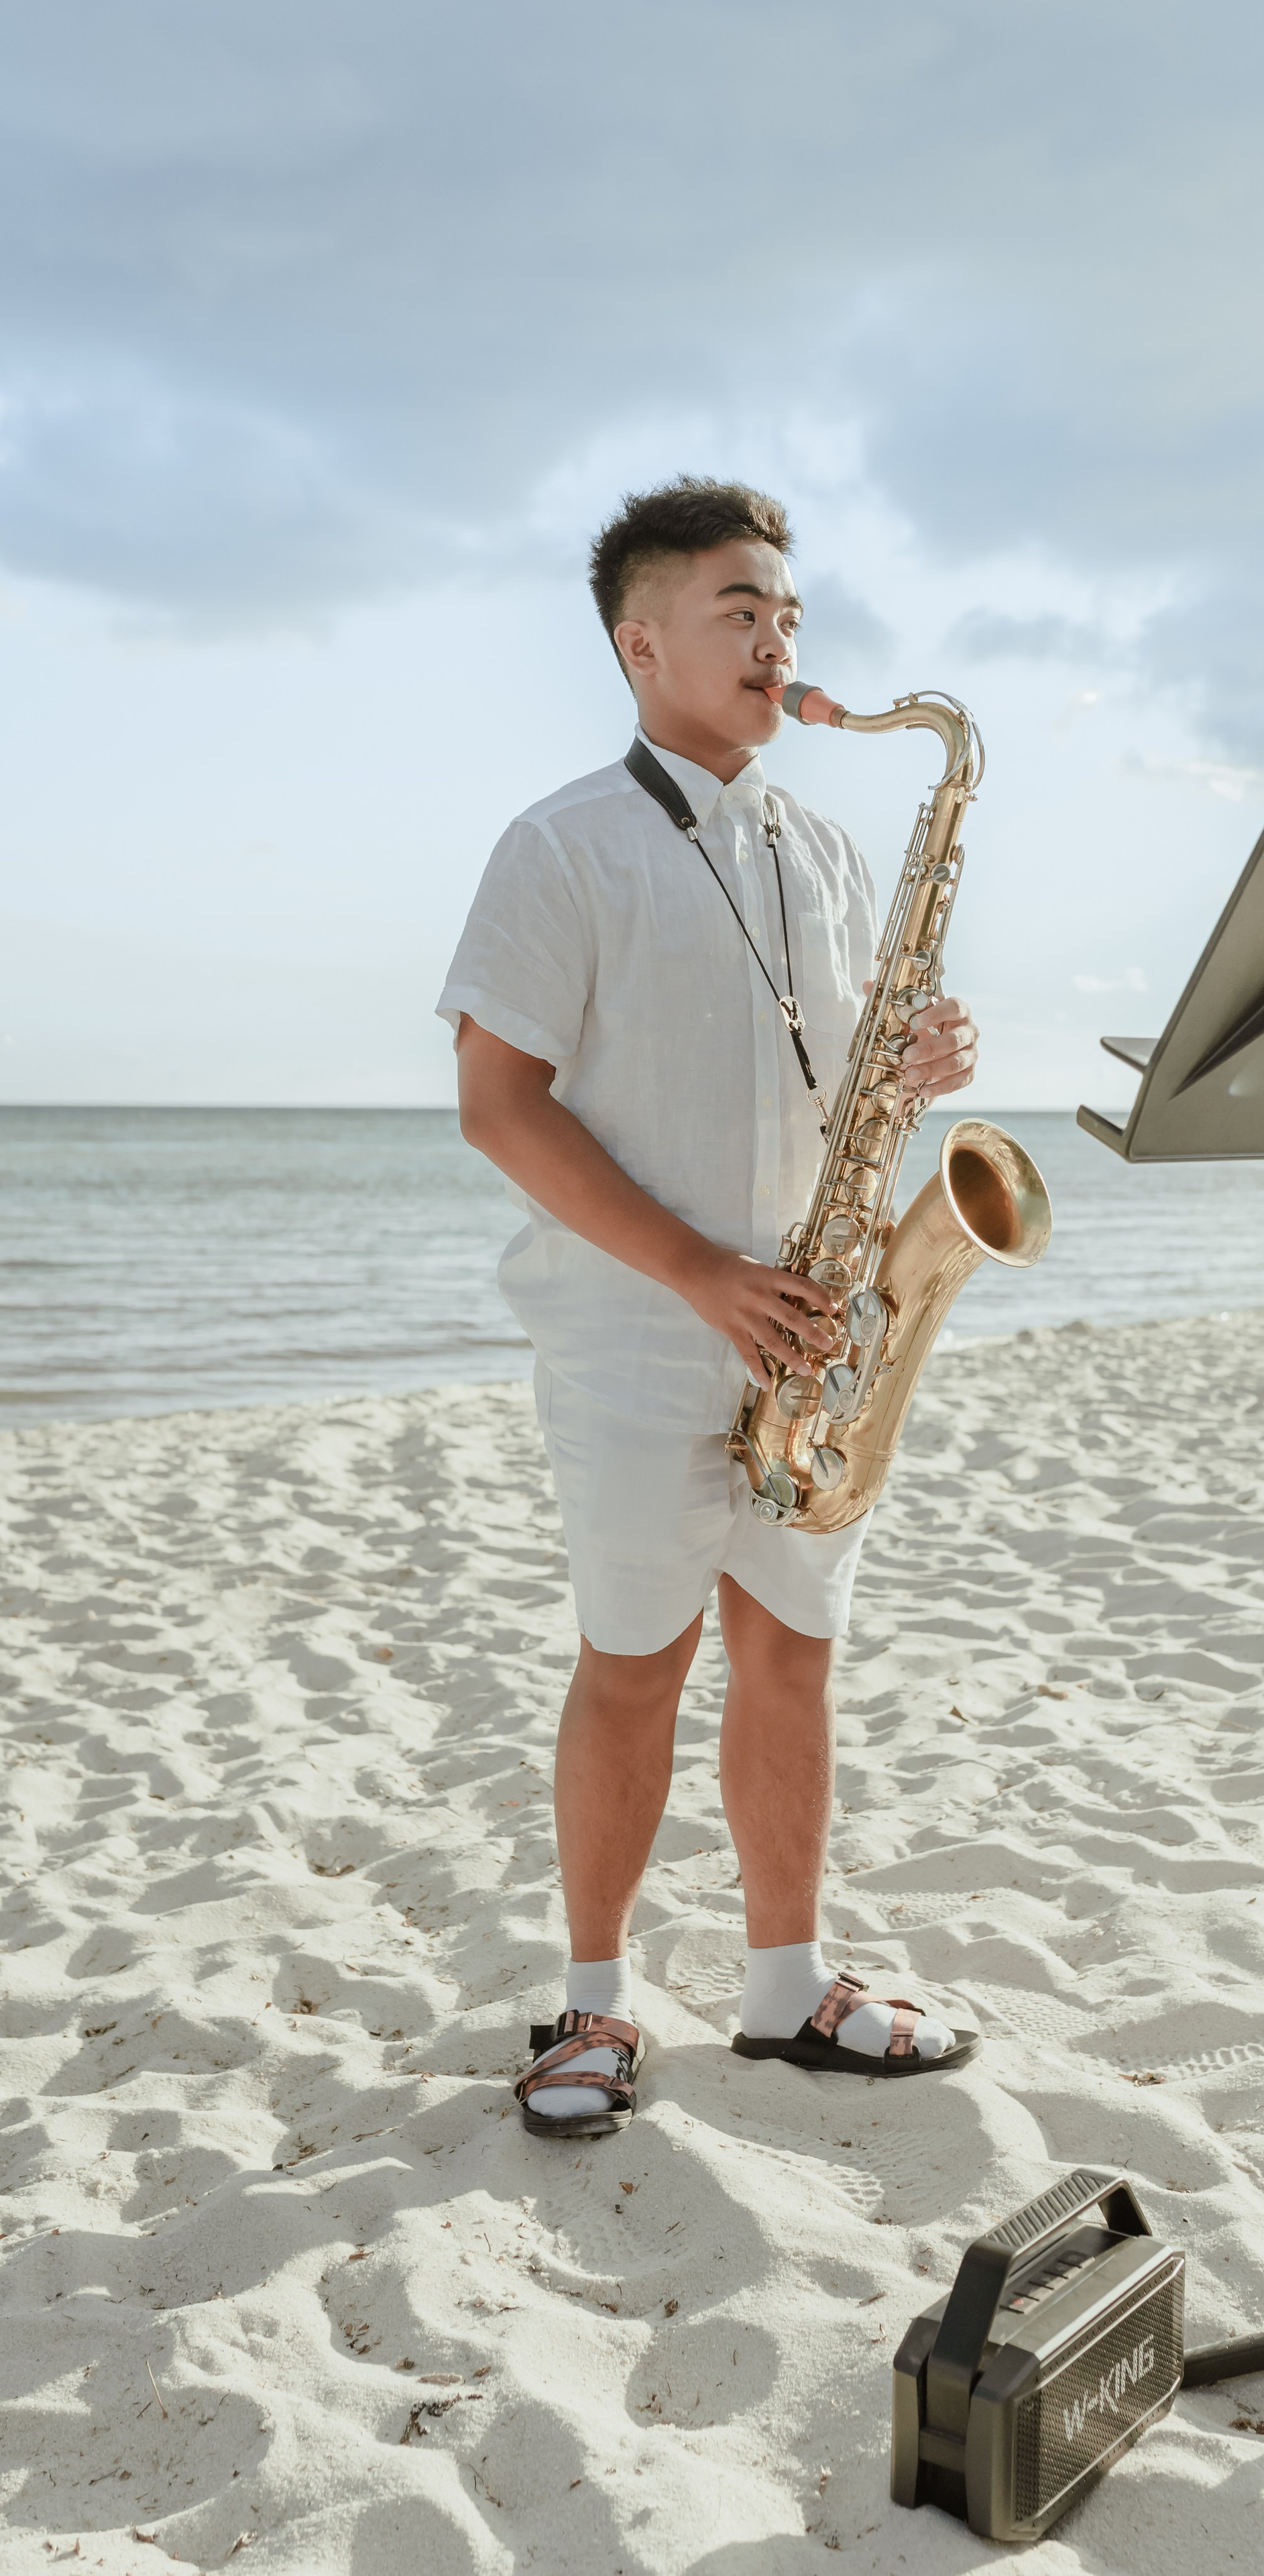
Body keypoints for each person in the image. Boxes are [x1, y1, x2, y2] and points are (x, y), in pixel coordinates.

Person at [437, 477, 983, 2141]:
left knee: (792, 1653)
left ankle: (781, 1983)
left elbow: (834, 1081)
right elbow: (498, 1103)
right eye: (742, 610)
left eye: (792, 615)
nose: (779, 643)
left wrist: (918, 1067)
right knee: (633, 1662)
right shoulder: (559, 844)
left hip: (810, 1325)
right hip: (636, 1333)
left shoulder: (822, 845)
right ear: (641, 639)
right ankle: (592, 2002)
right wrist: (693, 1272)